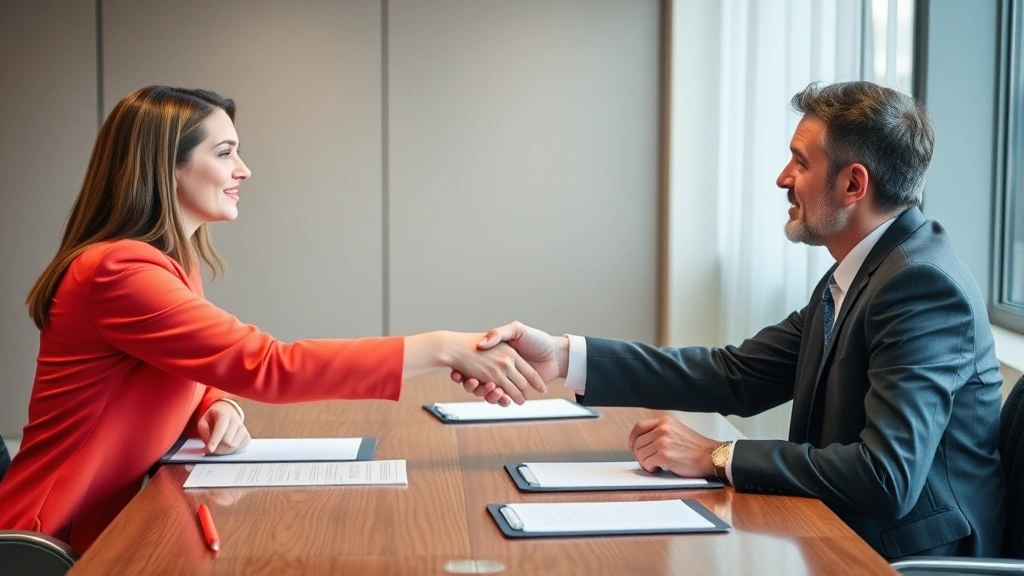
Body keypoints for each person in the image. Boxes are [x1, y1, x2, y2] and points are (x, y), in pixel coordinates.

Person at [456, 81, 1006, 559]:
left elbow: (886, 477)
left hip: (904, 556)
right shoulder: (865, 270)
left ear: (853, 184)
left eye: (801, 161)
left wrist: (717, 456)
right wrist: (562, 357)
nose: (782, 178)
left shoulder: (919, 286)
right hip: (844, 533)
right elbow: (734, 374)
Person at [0, 85, 538, 553]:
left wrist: (215, 404)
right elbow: (268, 366)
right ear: (168, 165)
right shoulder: (120, 272)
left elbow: (171, 367)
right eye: (226, 152)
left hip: (109, 526)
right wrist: (442, 346)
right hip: (51, 542)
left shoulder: (170, 264)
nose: (243, 170)